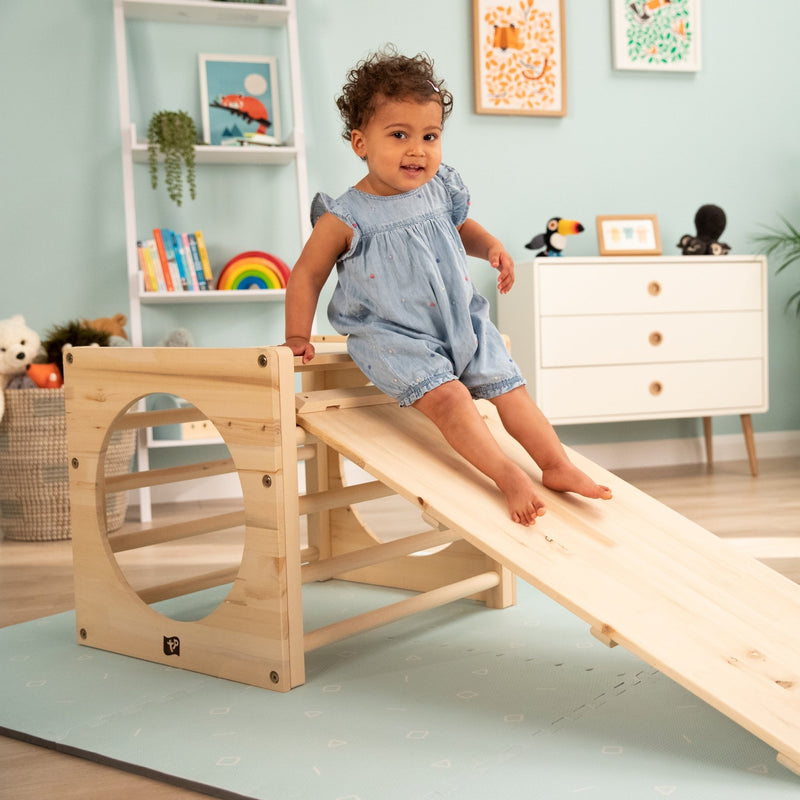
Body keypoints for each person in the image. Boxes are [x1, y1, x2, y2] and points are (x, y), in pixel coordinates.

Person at [284, 49, 612, 525]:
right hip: (396, 337)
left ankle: (557, 464)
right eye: (399, 135)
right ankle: (506, 475)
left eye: (430, 136)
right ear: (360, 142)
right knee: (453, 400)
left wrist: (492, 247)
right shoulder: (345, 216)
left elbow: (460, 229)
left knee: (511, 389)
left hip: (460, 318)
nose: (417, 150)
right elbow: (307, 274)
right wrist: (298, 335)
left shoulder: (440, 190)